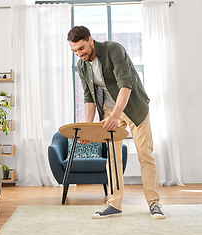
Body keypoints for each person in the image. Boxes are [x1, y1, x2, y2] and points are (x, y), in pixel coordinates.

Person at [67, 26, 164, 219]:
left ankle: (154, 203)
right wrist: (87, 128)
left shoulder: (114, 50)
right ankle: (114, 204)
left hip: (135, 107)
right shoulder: (82, 65)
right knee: (112, 158)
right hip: (110, 111)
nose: (79, 54)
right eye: (75, 51)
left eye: (81, 48)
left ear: (91, 40)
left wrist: (115, 116)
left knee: (145, 154)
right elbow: (89, 97)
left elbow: (125, 84)